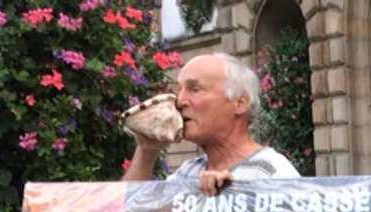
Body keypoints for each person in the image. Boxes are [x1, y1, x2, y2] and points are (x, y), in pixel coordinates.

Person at [122, 53, 299, 193]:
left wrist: (232, 195)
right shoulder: (187, 172)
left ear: (240, 103)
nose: (180, 100)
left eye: (195, 89)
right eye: (179, 90)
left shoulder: (273, 174)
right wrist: (146, 150)